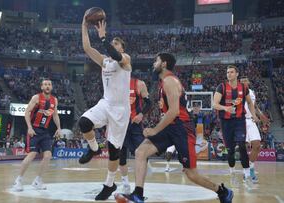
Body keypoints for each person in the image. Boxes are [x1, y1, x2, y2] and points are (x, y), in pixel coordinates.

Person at [115, 53, 233, 203]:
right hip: (171, 126)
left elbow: (174, 112)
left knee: (191, 173)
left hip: (181, 128)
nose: (153, 64)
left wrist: (154, 130)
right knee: (140, 152)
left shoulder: (170, 81)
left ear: (164, 64)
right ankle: (138, 194)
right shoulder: (163, 82)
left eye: (156, 61)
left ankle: (222, 191)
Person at [78, 12, 132, 200]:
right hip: (106, 103)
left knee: (114, 150)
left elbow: (116, 55)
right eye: (113, 42)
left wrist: (104, 38)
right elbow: (87, 47)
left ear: (122, 47)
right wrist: (84, 26)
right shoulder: (104, 61)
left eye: (117, 43)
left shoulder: (125, 60)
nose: (114, 45)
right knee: (84, 123)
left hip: (121, 110)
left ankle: (109, 184)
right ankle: (93, 148)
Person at [213, 66, 259, 188]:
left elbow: (249, 102)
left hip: (239, 120)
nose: (229, 74)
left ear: (237, 74)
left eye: (231, 72)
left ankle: (247, 175)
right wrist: (225, 108)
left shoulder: (243, 88)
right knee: (231, 151)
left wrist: (253, 114)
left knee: (242, 145)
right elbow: (214, 104)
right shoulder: (221, 87)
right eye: (228, 72)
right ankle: (232, 172)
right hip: (226, 122)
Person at [13, 79, 61, 191]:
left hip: (45, 131)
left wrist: (59, 128)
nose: (47, 86)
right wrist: (29, 127)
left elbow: (55, 115)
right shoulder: (36, 97)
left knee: (48, 155)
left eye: (49, 84)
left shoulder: (55, 100)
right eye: (45, 84)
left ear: (52, 87)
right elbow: (27, 112)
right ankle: (18, 181)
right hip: (34, 129)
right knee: (32, 154)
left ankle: (38, 181)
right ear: (41, 87)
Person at [119, 77, 151, 194]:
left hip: (135, 124)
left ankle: (139, 185)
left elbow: (149, 103)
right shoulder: (115, 83)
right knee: (121, 155)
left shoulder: (139, 84)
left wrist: (141, 114)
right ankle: (125, 184)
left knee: (143, 154)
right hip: (120, 124)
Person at [240, 77, 270, 183]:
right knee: (243, 147)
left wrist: (261, 115)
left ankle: (251, 168)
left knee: (257, 145)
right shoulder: (237, 93)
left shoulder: (252, 93)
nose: (243, 82)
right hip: (241, 121)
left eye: (245, 80)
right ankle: (246, 171)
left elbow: (255, 106)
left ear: (248, 82)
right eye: (241, 81)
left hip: (251, 120)